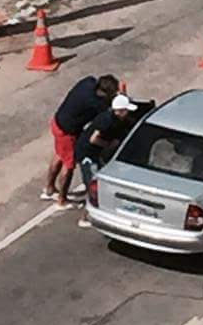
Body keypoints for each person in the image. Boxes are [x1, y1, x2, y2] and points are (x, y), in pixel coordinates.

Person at [44, 75, 119, 207]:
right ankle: (62, 200)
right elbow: (108, 111)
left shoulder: (87, 82)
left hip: (58, 121)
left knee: (59, 155)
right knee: (68, 165)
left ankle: (50, 188)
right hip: (68, 132)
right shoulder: (95, 103)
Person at [75, 94, 137, 228]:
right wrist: (108, 145)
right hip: (87, 154)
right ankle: (85, 216)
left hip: (94, 154)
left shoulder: (114, 119)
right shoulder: (107, 121)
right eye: (126, 111)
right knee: (92, 183)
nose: (128, 114)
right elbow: (94, 139)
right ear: (119, 111)